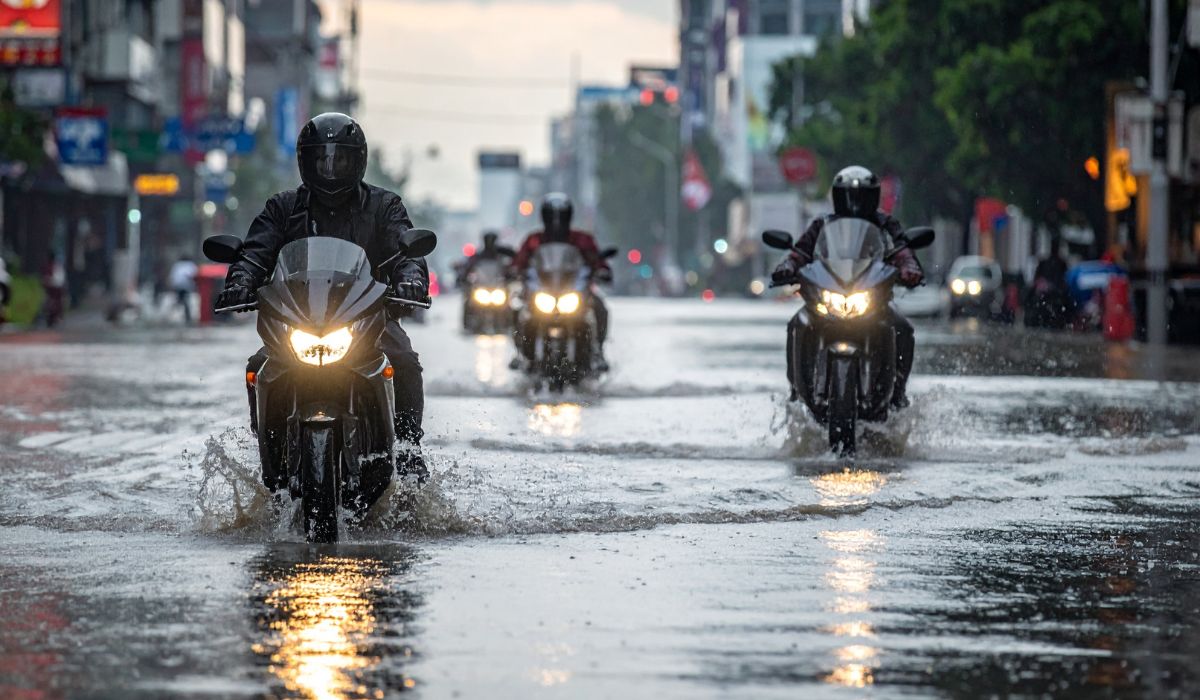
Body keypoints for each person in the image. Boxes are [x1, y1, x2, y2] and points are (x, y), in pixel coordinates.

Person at [215, 112, 431, 482]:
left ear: (357, 160)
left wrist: (410, 279)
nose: (330, 169)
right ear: (306, 162)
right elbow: (255, 252)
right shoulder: (283, 208)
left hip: (366, 321)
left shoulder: (384, 206)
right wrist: (240, 280)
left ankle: (410, 454)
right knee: (257, 368)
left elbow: (406, 249)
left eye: (341, 159)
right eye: (322, 160)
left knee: (405, 363)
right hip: (299, 320)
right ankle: (272, 453)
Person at [770, 166, 923, 408]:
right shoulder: (822, 224)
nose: (855, 201)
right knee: (796, 324)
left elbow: (903, 251)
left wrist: (909, 268)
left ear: (873, 196)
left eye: (862, 195)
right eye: (849, 195)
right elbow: (800, 251)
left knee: (903, 329)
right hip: (828, 296)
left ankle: (897, 394)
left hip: (873, 301)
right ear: (837, 196)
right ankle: (796, 391)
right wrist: (787, 265)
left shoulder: (886, 224)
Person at [510, 192, 613, 370]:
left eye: (561, 216)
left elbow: (597, 260)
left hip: (574, 292)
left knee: (599, 307)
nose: (556, 222)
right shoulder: (534, 240)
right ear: (544, 217)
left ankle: (598, 352)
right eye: (551, 216)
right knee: (517, 310)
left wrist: (602, 270)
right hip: (542, 292)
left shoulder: (582, 239)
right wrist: (513, 270)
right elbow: (520, 261)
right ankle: (521, 354)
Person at [168, 256, 198, 324]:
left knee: (182, 301)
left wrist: (172, 285)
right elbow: (194, 275)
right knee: (184, 301)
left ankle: (172, 313)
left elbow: (173, 276)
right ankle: (186, 317)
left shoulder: (177, 265)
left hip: (179, 286)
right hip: (186, 286)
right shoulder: (190, 265)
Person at [41, 251, 66, 327]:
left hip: (53, 288)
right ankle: (57, 316)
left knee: (56, 301)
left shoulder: (50, 266)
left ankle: (56, 315)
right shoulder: (56, 266)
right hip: (53, 288)